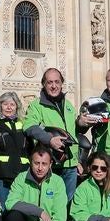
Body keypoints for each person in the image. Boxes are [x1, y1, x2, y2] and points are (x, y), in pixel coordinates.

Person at [23, 68, 82, 200]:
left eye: (57, 82)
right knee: (49, 203)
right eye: (49, 82)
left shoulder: (68, 105)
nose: (54, 86)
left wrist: (82, 123)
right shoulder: (36, 105)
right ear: (44, 84)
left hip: (70, 165)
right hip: (51, 164)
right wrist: (50, 140)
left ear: (62, 84)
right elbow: (29, 127)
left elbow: (73, 132)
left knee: (67, 204)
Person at [0, 92, 29, 206]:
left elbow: (31, 152)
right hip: (1, 177)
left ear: (17, 107)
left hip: (22, 175)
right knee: (3, 208)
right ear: (0, 106)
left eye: (12, 104)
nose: (9, 107)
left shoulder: (25, 126)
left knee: (20, 210)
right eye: (5, 104)